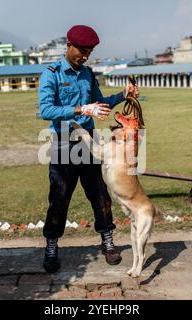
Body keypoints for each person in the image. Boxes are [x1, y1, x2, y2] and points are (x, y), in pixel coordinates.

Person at [38, 25, 139, 273]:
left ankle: (107, 241)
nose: (85, 56)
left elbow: (100, 103)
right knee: (59, 198)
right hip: (63, 143)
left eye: (90, 52)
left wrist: (122, 95)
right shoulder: (51, 74)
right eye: (82, 51)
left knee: (100, 195)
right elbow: (46, 110)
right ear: (69, 45)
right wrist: (82, 109)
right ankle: (51, 245)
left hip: (91, 143)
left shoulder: (88, 74)